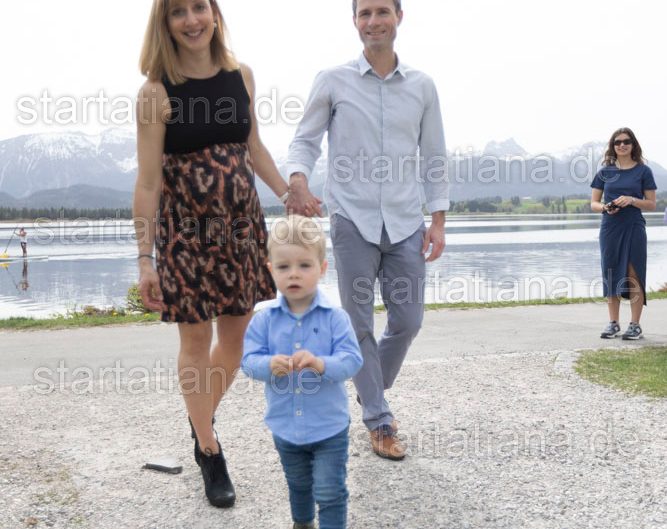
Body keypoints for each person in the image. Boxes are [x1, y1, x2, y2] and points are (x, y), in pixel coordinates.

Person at [134, 0, 289, 508]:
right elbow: (148, 182)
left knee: (236, 340)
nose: (191, 20)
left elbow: (255, 148)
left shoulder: (241, 76)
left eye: (199, 7)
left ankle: (198, 414)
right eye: (177, 12)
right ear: (165, 25)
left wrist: (289, 194)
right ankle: (209, 448)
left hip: (242, 232)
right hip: (185, 237)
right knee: (196, 340)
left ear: (215, 14)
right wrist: (144, 258)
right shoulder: (155, 93)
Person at [284, 0, 449, 460]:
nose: (373, 22)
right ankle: (379, 419)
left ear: (399, 17)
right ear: (354, 21)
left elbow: (434, 156)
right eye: (365, 14)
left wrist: (438, 220)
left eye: (382, 12)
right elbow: (305, 140)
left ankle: (367, 386)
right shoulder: (332, 80)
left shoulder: (422, 86)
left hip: (405, 221)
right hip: (351, 218)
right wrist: (297, 179)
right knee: (359, 324)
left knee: (409, 321)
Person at [242, 215, 363, 529]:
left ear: (322, 269)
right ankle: (303, 523)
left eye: (304, 265)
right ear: (271, 270)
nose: (293, 273)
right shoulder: (263, 319)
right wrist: (268, 365)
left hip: (329, 428)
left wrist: (322, 364)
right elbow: (248, 362)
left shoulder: (335, 318)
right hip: (285, 426)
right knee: (298, 484)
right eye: (284, 267)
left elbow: (352, 360)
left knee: (330, 491)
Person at [590, 127, 657, 340]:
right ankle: (613, 323)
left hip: (634, 227)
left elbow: (652, 204)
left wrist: (632, 200)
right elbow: (593, 203)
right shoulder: (605, 172)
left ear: (633, 144)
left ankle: (635, 325)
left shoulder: (644, 171)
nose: (622, 145)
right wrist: (605, 207)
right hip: (610, 228)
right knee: (610, 273)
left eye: (626, 141)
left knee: (633, 273)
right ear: (613, 146)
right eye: (617, 142)